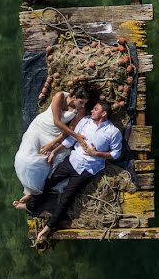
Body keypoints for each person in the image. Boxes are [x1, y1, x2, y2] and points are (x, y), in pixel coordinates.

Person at [24, 99, 122, 245]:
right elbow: (70, 140)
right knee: (49, 182)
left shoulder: (113, 132)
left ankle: (48, 228)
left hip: (87, 170)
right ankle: (30, 204)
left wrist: (97, 154)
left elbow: (116, 154)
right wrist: (54, 151)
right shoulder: (86, 122)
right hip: (72, 161)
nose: (92, 111)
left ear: (104, 113)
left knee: (66, 198)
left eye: (95, 109)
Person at [12, 88, 89, 209]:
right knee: (26, 157)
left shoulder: (80, 110)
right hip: (40, 127)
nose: (82, 106)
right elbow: (57, 121)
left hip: (56, 135)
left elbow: (69, 130)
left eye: (85, 103)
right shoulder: (60, 96)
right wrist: (77, 137)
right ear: (73, 97)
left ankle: (33, 194)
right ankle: (30, 190)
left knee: (47, 163)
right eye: (81, 102)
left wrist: (53, 143)